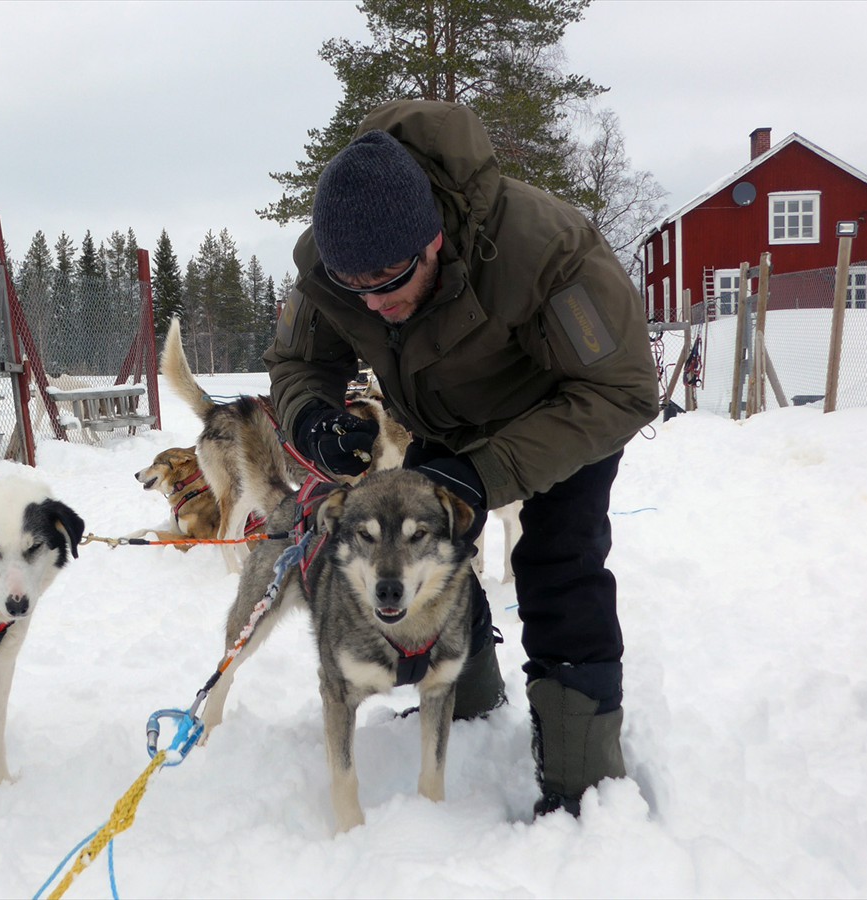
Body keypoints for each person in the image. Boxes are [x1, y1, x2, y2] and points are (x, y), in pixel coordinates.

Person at [264, 99, 659, 818]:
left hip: (563, 413)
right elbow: (295, 363)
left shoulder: (544, 248)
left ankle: (583, 780)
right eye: (357, 289)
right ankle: (465, 695)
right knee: (442, 555)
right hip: (444, 418)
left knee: (558, 565)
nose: (375, 304)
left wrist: (483, 475)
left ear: (435, 241)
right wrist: (312, 419)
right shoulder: (335, 261)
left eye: (390, 281)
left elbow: (624, 389)